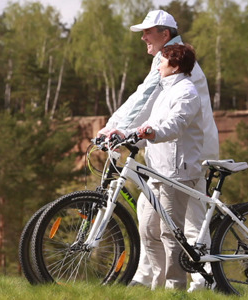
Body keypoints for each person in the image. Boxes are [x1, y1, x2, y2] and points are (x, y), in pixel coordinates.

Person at [96, 10, 218, 292]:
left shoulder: (178, 69)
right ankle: (150, 277)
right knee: (149, 219)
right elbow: (146, 102)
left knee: (190, 222)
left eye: (148, 31)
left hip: (189, 156)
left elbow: (146, 103)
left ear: (165, 34)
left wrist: (115, 127)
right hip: (164, 157)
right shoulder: (165, 63)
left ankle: (203, 281)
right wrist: (121, 132)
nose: (143, 37)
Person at [135, 43, 204, 290]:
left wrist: (152, 132)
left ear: (174, 65)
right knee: (148, 230)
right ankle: (158, 284)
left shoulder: (187, 92)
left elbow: (175, 125)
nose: (158, 66)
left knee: (170, 233)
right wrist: (122, 134)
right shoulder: (165, 92)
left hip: (178, 172)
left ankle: (175, 289)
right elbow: (149, 127)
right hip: (158, 171)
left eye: (161, 62)